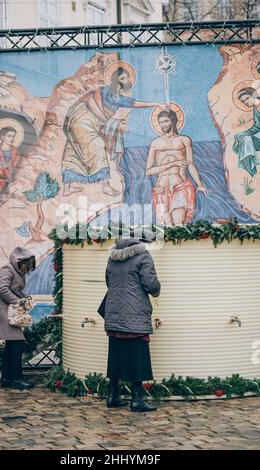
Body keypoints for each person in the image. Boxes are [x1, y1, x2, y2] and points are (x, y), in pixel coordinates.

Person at [62, 66, 161, 196]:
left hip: (84, 120)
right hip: (83, 118)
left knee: (73, 150)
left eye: (127, 78)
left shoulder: (112, 93)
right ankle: (106, 185)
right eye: (123, 78)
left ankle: (68, 187)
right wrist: (155, 104)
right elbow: (130, 102)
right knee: (97, 145)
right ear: (116, 80)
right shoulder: (109, 92)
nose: (126, 81)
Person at [103, 236, 161, 412]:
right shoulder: (143, 256)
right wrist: (157, 290)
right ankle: (137, 399)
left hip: (113, 313)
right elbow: (150, 284)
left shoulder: (112, 257)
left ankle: (113, 396)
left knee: (116, 355)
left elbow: (108, 282)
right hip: (134, 313)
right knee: (138, 356)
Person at [146, 109, 208, 225]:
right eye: (161, 122)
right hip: (161, 190)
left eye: (166, 121)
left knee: (178, 222)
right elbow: (149, 171)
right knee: (166, 226)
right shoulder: (155, 143)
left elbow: (190, 164)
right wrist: (173, 163)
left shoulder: (184, 140)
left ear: (173, 121)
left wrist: (199, 184)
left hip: (180, 188)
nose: (163, 125)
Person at [0, 247, 36, 390]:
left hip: (9, 311)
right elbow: (2, 289)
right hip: (5, 311)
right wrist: (18, 301)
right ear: (21, 261)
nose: (28, 269)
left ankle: (7, 379)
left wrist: (23, 298)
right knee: (17, 343)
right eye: (28, 265)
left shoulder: (14, 270)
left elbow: (13, 289)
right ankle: (16, 379)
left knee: (11, 345)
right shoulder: (7, 269)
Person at [0, 126, 21, 212]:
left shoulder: (15, 151)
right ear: (2, 137)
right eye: (9, 136)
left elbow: (18, 166)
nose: (12, 138)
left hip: (10, 180)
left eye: (13, 136)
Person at [233, 87, 260, 177]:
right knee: (246, 138)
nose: (246, 102)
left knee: (246, 137)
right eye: (243, 102)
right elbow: (257, 126)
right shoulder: (256, 109)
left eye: (247, 98)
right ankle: (251, 168)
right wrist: (245, 133)